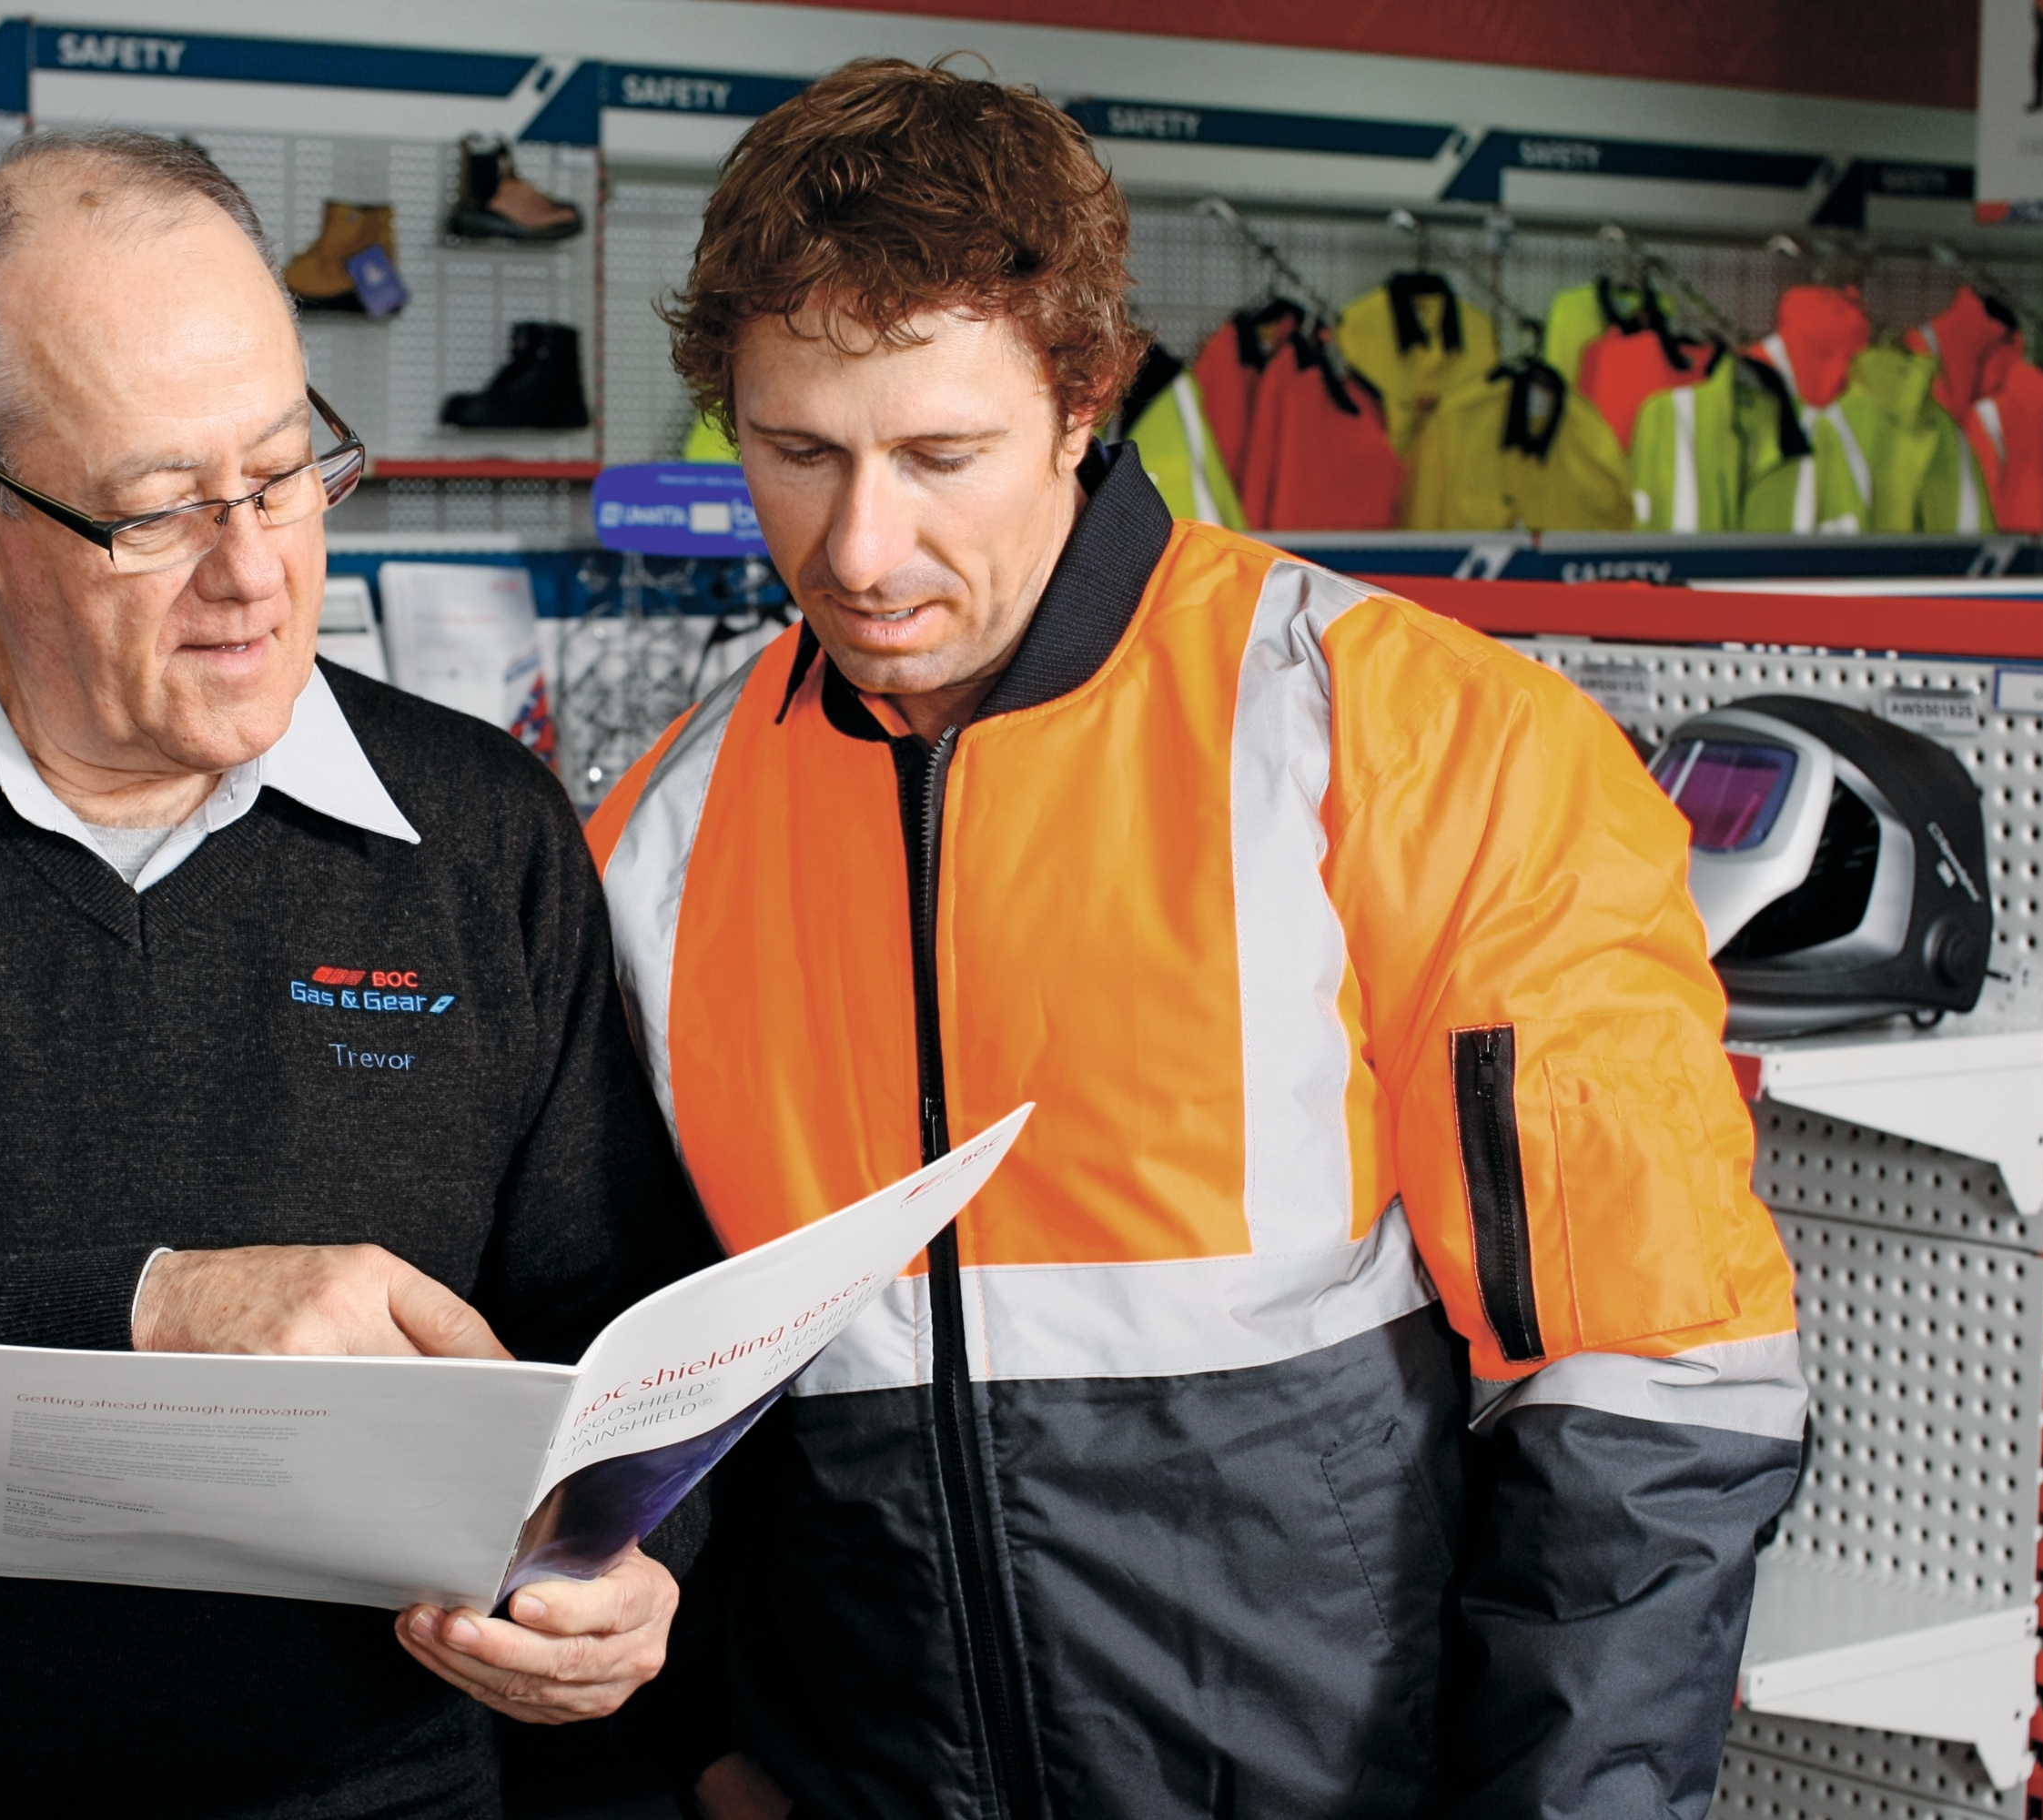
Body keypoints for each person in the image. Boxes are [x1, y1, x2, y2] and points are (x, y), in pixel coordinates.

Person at [590, 60, 1805, 1818]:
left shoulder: (1417, 740)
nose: (863, 547)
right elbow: (638, 1403)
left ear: (1083, 398)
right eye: (793, 453)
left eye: (943, 455)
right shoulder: (662, 838)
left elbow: (1646, 1386)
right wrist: (699, 1751)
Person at [0, 129, 708, 1817]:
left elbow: (609, 1328)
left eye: (289, 465)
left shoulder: (480, 828)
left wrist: (627, 1564)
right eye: (160, 510)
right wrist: (152, 1316)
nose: (257, 571)